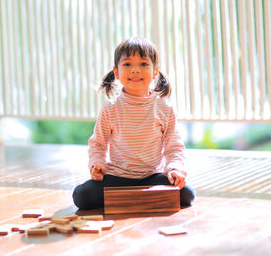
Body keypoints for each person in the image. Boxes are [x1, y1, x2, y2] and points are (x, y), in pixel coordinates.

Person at [72, 37, 195, 210]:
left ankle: (128, 199)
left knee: (187, 194)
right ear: (116, 72)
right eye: (127, 64)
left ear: (154, 72)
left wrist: (174, 169)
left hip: (153, 176)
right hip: (117, 177)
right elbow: (98, 143)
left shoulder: (164, 108)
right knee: (82, 196)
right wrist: (97, 163)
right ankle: (140, 198)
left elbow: (173, 147)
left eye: (143, 64)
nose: (135, 70)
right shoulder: (110, 108)